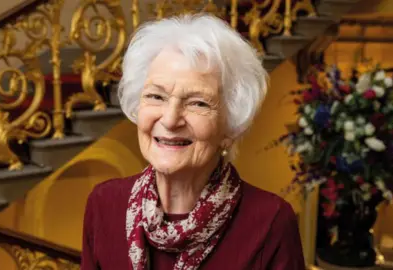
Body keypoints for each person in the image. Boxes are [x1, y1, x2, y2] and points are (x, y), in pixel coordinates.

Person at [81, 13, 305, 270]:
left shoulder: (271, 223)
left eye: (198, 103)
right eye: (156, 96)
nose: (171, 118)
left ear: (231, 126)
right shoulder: (104, 205)